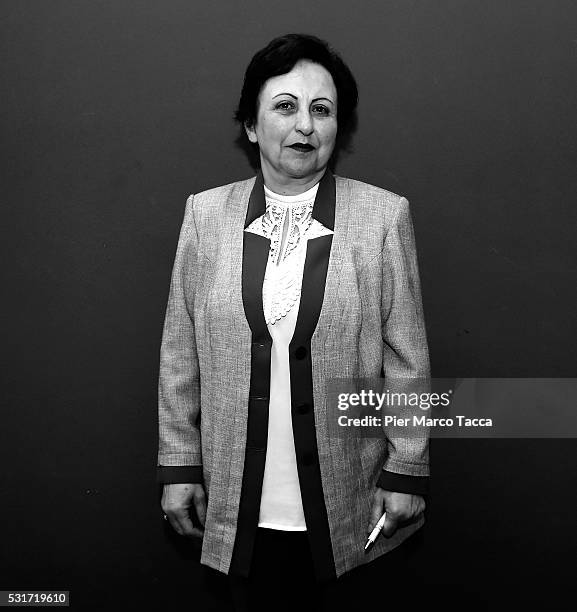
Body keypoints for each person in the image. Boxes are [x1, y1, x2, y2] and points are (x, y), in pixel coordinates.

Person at [157, 33, 430, 611]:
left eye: (321, 109)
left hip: (351, 500)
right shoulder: (204, 216)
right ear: (252, 127)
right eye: (285, 106)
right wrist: (179, 463)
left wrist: (406, 469)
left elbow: (406, 360)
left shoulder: (384, 216)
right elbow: (180, 351)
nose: (305, 124)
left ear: (338, 126)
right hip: (234, 501)